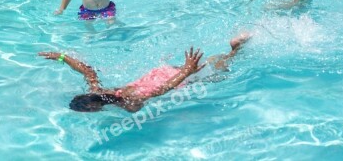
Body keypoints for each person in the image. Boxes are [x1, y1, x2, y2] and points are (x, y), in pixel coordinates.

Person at [39, 34, 251, 112]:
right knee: (209, 66)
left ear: (96, 108)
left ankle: (234, 50)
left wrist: (186, 72)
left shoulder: (128, 102)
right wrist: (62, 57)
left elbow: (162, 90)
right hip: (159, 72)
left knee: (216, 75)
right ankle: (229, 51)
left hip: (174, 79)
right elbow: (88, 71)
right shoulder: (100, 90)